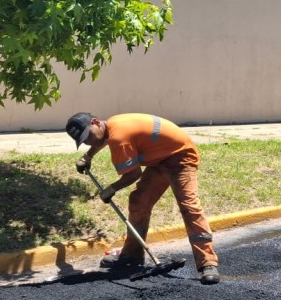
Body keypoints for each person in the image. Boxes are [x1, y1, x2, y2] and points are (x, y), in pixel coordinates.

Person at [66, 112, 221, 285]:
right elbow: (101, 139)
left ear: (95, 122)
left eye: (88, 136)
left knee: (189, 206)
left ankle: (208, 263)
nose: (89, 142)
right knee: (138, 201)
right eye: (84, 140)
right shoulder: (111, 126)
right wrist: (87, 156)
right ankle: (133, 255)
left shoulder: (119, 137)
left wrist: (111, 189)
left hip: (181, 156)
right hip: (160, 158)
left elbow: (133, 175)